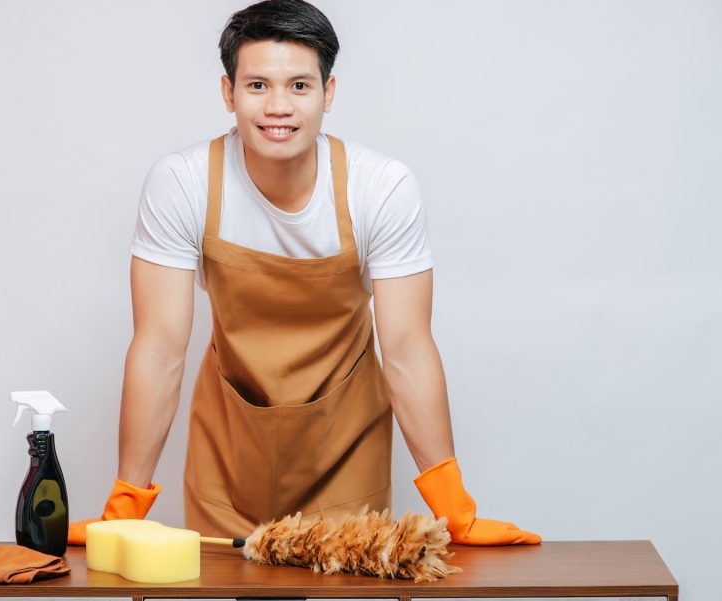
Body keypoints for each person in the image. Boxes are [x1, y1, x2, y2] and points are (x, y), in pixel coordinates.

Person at [68, 0, 540, 546]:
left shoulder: (379, 188)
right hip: (228, 452)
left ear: (328, 93)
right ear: (228, 93)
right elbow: (158, 349)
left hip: (345, 449)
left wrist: (453, 505)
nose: (278, 107)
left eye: (299, 86)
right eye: (257, 86)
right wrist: (127, 501)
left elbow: (408, 349)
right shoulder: (183, 183)